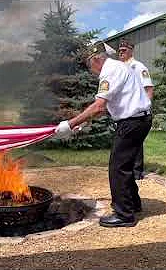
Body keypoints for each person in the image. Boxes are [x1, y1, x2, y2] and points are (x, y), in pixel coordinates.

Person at [55, 42, 152, 227]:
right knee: (126, 164)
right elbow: (104, 107)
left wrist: (69, 124)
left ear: (96, 59)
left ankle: (124, 215)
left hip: (132, 122)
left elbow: (99, 105)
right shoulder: (118, 67)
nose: (90, 70)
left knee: (117, 168)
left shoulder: (110, 71)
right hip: (139, 120)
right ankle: (133, 204)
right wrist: (83, 123)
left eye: (89, 65)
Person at [118, 39, 154, 180]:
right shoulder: (120, 68)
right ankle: (127, 169)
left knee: (136, 142)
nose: (121, 53)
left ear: (131, 50)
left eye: (124, 50)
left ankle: (137, 171)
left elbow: (149, 88)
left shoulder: (138, 67)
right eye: (119, 51)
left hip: (137, 111)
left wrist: (146, 107)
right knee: (126, 142)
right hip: (124, 111)